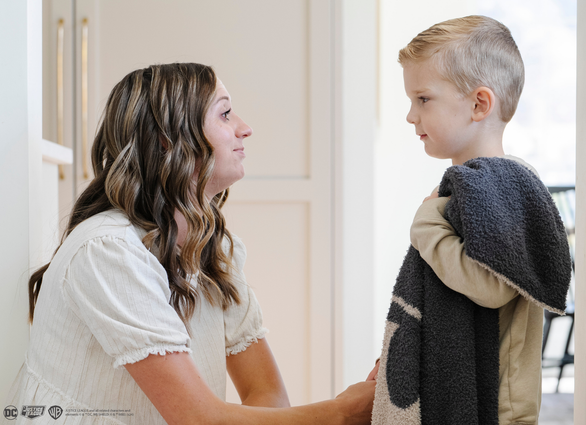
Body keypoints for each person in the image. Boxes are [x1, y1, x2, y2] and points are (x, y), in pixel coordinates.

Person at [8, 63, 375, 425]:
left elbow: (267, 395)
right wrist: (341, 413)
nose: (245, 129)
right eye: (226, 114)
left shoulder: (214, 251)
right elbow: (198, 419)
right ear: (168, 140)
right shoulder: (108, 251)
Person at [369, 17, 572, 425]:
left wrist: (426, 224)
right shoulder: (482, 184)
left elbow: (491, 285)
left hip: (495, 405)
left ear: (480, 104)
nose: (411, 116)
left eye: (423, 99)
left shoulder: (496, 185)